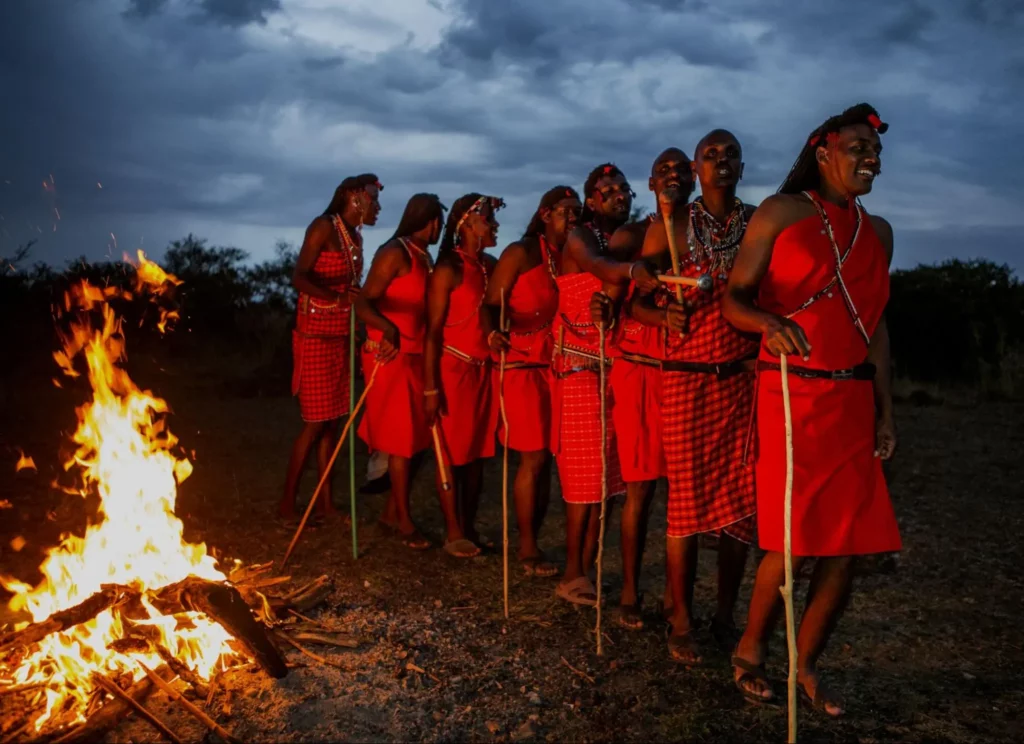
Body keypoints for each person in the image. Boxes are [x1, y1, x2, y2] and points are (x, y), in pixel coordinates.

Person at [722, 103, 900, 716]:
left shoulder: (880, 233)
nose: (871, 158)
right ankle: (750, 651)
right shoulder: (780, 212)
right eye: (858, 148)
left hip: (852, 399)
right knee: (793, 540)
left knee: (847, 547)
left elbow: (875, 328)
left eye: (875, 151)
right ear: (823, 153)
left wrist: (885, 411)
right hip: (791, 393)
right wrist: (767, 323)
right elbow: (734, 300)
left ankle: (808, 665)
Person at [629, 131, 760, 664]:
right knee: (684, 503)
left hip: (742, 380)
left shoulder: (759, 224)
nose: (722, 161)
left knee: (741, 507)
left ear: (742, 167)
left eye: (731, 154)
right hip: (685, 377)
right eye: (711, 155)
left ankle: (725, 616)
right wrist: (665, 314)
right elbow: (636, 303)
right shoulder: (673, 226)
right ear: (696, 170)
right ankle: (681, 618)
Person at [592, 147, 694, 629]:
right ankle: (631, 591)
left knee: (685, 491)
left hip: (688, 370)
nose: (673, 175)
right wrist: (650, 312)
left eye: (681, 168)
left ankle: (678, 598)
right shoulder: (632, 236)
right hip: (640, 367)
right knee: (641, 489)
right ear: (651, 184)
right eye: (663, 170)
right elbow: (616, 303)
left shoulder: (708, 233)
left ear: (694, 178)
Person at [553, 163, 659, 606]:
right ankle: (571, 573)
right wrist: (636, 269)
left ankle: (590, 565)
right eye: (608, 190)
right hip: (579, 367)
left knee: (610, 478)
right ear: (591, 201)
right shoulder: (581, 238)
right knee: (584, 479)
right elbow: (602, 268)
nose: (618, 194)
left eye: (623, 189)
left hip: (616, 366)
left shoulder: (629, 238)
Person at [484, 186, 580, 578]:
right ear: (545, 214)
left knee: (548, 457)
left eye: (577, 212)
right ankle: (526, 546)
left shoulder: (569, 254)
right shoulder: (521, 253)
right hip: (521, 364)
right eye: (565, 211)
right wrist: (494, 332)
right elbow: (491, 304)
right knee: (534, 456)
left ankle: (534, 539)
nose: (572, 218)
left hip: (553, 366)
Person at [279, 174, 380, 522]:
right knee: (314, 424)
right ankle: (287, 504)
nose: (378, 206)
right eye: (373, 198)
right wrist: (336, 298)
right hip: (316, 336)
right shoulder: (323, 227)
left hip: (342, 335)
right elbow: (299, 276)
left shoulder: (354, 236)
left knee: (333, 423)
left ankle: (325, 503)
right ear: (354, 197)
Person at [355, 193, 446, 550]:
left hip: (417, 356)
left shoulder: (425, 256)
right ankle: (405, 522)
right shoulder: (395, 252)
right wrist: (387, 329)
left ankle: (391, 513)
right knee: (400, 439)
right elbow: (364, 301)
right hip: (390, 355)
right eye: (437, 221)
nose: (439, 228)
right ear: (428, 220)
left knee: (416, 438)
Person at [424, 193, 504, 558]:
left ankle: (468, 527)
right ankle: (453, 531)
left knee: (477, 454)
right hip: (452, 371)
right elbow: (432, 331)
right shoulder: (448, 269)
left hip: (483, 372)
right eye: (488, 219)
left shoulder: (489, 265)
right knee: (451, 452)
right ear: (467, 225)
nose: (494, 225)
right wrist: (430, 388)